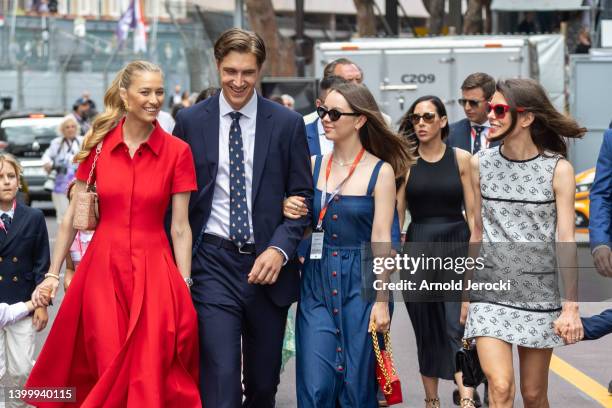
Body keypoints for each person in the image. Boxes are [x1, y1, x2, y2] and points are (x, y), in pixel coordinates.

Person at [26, 60, 201, 407]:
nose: (154, 100)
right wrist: (51, 274)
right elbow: (71, 220)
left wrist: (184, 284)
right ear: (125, 94)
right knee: (106, 363)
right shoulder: (98, 147)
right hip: (102, 274)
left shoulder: (178, 152)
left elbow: (180, 226)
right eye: (145, 91)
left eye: (159, 92)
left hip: (156, 273)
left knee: (149, 369)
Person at [172, 28, 312, 408]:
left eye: (247, 72)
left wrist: (280, 250)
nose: (238, 81)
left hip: (267, 267)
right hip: (211, 264)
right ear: (217, 66)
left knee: (263, 385)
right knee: (221, 383)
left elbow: (304, 198)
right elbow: (176, 197)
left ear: (260, 70)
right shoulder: (189, 121)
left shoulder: (286, 124)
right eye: (230, 71)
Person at [283, 82, 412, 407]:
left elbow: (383, 240)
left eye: (335, 113)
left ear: (359, 120)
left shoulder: (380, 172)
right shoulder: (312, 164)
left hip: (362, 284)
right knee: (315, 387)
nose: (326, 118)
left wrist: (382, 301)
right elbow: (302, 224)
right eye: (323, 111)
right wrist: (289, 209)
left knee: (356, 389)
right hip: (317, 281)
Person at [463, 78, 584, 408]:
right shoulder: (479, 164)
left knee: (534, 396)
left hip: (538, 294)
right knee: (500, 388)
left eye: (500, 110)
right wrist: (464, 294)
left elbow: (566, 241)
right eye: (490, 109)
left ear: (527, 117)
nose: (491, 115)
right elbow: (477, 232)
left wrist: (571, 307)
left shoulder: (557, 170)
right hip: (489, 292)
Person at [396, 96, 478, 408]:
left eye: (428, 117)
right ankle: (432, 401)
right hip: (417, 250)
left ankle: (467, 399)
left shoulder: (462, 159)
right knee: (426, 331)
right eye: (416, 118)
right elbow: (397, 215)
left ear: (443, 121)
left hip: (456, 245)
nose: (421, 124)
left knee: (457, 326)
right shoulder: (406, 161)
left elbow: (473, 217)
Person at [0, 153, 50, 408]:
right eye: (0, 177)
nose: (6, 182)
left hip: (23, 303)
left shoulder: (34, 218)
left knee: (21, 370)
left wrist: (41, 303)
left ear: (19, 181)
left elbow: (42, 265)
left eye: (11, 176)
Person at [41, 115, 83, 223]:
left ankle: (77, 240)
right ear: (62, 130)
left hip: (79, 183)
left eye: (73, 126)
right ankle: (64, 238)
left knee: (79, 214)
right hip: (60, 184)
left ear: (77, 128)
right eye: (67, 127)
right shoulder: (56, 143)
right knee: (62, 215)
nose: (70, 129)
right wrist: (48, 164)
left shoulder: (83, 141)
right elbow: (46, 156)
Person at [448, 73, 498, 154]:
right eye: (463, 102)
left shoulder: (507, 133)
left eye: (473, 102)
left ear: (490, 100)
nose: (467, 108)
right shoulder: (450, 133)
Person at [304, 75, 348, 156]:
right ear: (318, 104)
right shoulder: (301, 136)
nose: (327, 118)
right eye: (327, 108)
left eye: (337, 110)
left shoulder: (358, 135)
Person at [63, 181, 94, 292]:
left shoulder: (104, 231)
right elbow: (70, 268)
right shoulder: (70, 237)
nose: (79, 204)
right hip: (79, 292)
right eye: (73, 199)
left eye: (83, 198)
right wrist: (68, 280)